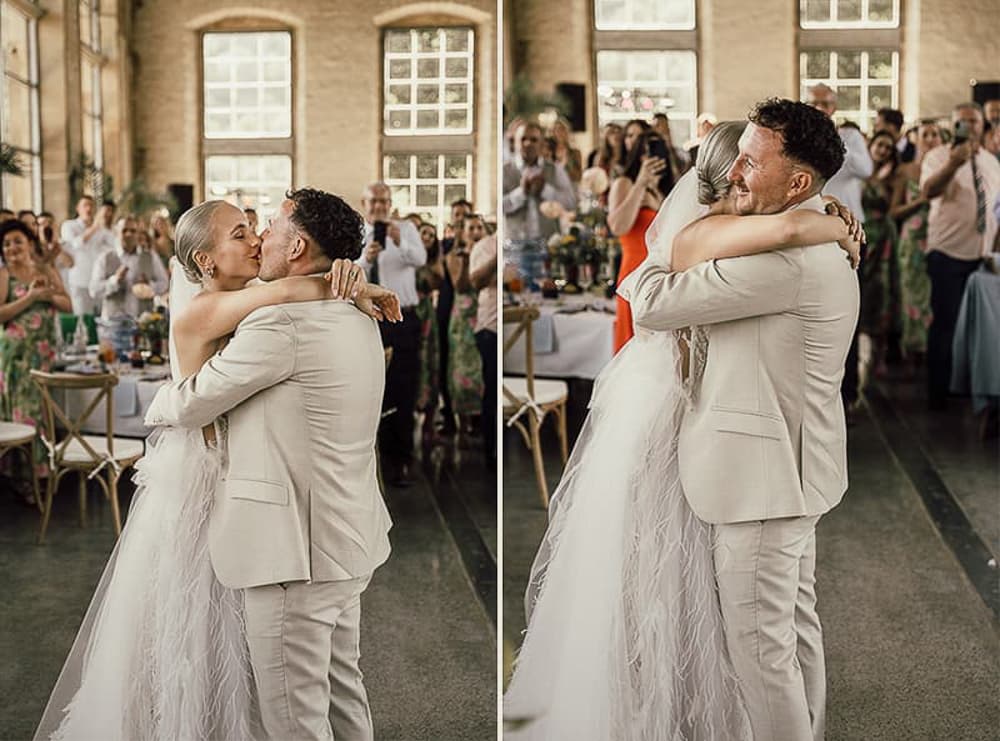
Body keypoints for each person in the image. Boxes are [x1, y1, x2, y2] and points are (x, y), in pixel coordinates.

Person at [505, 111, 862, 741]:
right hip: (795, 469)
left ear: (800, 183)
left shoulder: (784, 263)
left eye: (753, 161)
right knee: (793, 632)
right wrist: (808, 218)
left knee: (762, 655)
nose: (734, 173)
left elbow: (649, 297)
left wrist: (660, 255)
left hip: (761, 483)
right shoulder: (806, 237)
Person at [35, 193, 401, 741]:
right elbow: (291, 291)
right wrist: (347, 280)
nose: (259, 236)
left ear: (297, 245)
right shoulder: (349, 309)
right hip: (347, 536)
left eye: (269, 226)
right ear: (205, 259)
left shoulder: (282, 325)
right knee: (343, 691)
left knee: (295, 719)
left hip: (295, 553)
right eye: (244, 231)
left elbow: (186, 404)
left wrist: (159, 402)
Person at [920, 103, 1000, 407]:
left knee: (979, 326)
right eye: (962, 122)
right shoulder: (937, 156)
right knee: (946, 323)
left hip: (983, 255)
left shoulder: (991, 161)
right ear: (951, 127)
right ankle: (939, 392)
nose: (969, 126)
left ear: (983, 125)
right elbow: (928, 192)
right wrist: (953, 163)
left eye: (974, 121)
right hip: (948, 252)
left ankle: (969, 387)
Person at [356, 181, 427, 486]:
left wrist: (400, 243)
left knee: (403, 388)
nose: (379, 207)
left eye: (384, 201)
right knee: (372, 388)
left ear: (390, 203)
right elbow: (348, 270)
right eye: (373, 202)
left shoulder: (406, 229)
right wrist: (366, 259)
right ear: (364, 203)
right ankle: (373, 457)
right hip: (368, 317)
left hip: (403, 319)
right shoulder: (356, 232)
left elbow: (420, 260)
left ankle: (401, 460)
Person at [808, 82, 873, 411]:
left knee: (849, 311)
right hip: (813, 230)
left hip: (851, 231)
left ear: (834, 106)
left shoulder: (850, 137)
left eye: (825, 103)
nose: (820, 108)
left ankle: (848, 394)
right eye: (814, 103)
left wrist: (832, 140)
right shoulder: (802, 136)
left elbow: (866, 169)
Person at [0, 220, 72, 484]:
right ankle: (24, 477)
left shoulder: (45, 269)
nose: (12, 248)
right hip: (15, 356)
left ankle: (40, 475)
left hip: (43, 354)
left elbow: (68, 305)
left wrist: (48, 294)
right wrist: (29, 297)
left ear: (30, 243)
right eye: (6, 244)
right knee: (22, 413)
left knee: (40, 412)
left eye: (17, 241)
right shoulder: (4, 274)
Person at [607, 129, 669, 352]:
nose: (649, 159)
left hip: (663, 275)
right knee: (632, 347)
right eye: (644, 153)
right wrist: (640, 185)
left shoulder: (666, 189)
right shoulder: (624, 183)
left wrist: (656, 202)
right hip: (633, 273)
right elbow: (617, 227)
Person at [890, 121, 942, 364]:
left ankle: (934, 353)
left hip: (940, 238)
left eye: (935, 135)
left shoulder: (947, 168)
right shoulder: (906, 170)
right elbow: (894, 211)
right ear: (915, 139)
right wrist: (920, 201)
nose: (930, 139)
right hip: (913, 240)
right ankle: (911, 353)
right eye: (926, 135)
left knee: (935, 298)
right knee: (912, 295)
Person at [859, 129, 901, 377]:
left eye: (888, 147)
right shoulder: (857, 171)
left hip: (883, 236)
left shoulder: (893, 175)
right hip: (864, 232)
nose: (883, 150)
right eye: (880, 145)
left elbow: (892, 205)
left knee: (882, 290)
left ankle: (881, 353)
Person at [445, 214, 487, 446]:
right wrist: (467, 261)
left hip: (481, 314)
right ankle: (461, 427)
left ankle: (478, 422)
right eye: (471, 228)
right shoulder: (454, 255)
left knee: (479, 371)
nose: (475, 232)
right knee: (460, 370)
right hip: (462, 316)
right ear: (463, 232)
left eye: (479, 227)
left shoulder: (488, 252)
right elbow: (459, 286)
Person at [502, 122, 576, 242]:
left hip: (550, 244)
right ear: (515, 143)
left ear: (542, 144)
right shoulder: (504, 171)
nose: (528, 143)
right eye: (523, 139)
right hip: (514, 247)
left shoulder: (556, 169)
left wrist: (545, 190)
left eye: (534, 140)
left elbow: (570, 202)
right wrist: (521, 193)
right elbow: (498, 207)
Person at [89, 215, 171, 319]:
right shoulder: (104, 258)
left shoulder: (150, 256)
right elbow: (94, 290)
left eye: (133, 231)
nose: (129, 234)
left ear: (138, 234)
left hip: (144, 324)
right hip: (113, 324)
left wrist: (149, 286)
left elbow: (164, 283)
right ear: (116, 232)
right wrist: (114, 281)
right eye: (124, 230)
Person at [469, 232, 497, 467]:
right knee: (492, 390)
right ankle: (491, 452)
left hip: (512, 325)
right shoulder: (484, 247)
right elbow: (476, 282)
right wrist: (497, 259)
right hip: (490, 328)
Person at [60, 196, 115, 315]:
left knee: (100, 321)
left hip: (98, 283)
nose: (88, 209)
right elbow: (75, 245)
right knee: (82, 320)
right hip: (79, 282)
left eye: (91, 206)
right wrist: (94, 227)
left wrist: (104, 224)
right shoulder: (69, 226)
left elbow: (115, 245)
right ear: (78, 208)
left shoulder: (101, 229)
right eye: (85, 205)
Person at [415, 221, 444, 445]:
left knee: (431, 363)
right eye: (423, 233)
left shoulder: (433, 263)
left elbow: (438, 282)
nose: (427, 237)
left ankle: (429, 425)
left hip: (427, 314)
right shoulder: (405, 258)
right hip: (409, 313)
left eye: (431, 235)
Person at [549, 118, 583, 184]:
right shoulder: (549, 152)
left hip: (570, 187)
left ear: (567, 132)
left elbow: (578, 177)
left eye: (563, 129)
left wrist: (564, 167)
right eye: (557, 130)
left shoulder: (575, 153)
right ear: (553, 132)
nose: (560, 133)